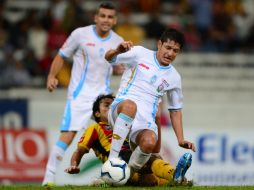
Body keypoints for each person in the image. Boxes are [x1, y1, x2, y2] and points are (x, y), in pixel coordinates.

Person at [42, 2, 124, 186]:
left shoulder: (118, 40)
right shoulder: (80, 34)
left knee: (114, 135)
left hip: (103, 98)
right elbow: (61, 55)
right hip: (80, 96)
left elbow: (118, 67)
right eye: (102, 15)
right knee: (68, 136)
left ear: (115, 20)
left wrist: (119, 68)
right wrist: (51, 76)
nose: (106, 19)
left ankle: (114, 177)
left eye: (110, 17)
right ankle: (48, 178)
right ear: (95, 17)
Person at [105, 28, 196, 182]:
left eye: (176, 51)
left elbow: (175, 110)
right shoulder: (139, 53)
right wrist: (117, 50)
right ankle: (111, 162)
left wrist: (180, 139)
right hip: (120, 110)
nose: (171, 53)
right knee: (130, 106)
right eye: (168, 48)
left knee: (149, 143)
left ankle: (125, 175)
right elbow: (109, 59)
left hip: (144, 121)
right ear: (159, 44)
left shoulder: (174, 77)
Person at [65, 94, 192, 186]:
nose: (112, 108)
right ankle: (175, 175)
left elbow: (152, 146)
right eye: (107, 105)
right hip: (118, 160)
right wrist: (73, 165)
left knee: (151, 171)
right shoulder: (94, 129)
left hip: (133, 158)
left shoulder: (126, 124)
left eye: (114, 105)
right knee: (151, 166)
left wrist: (156, 121)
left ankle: (177, 179)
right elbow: (79, 150)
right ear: (97, 113)